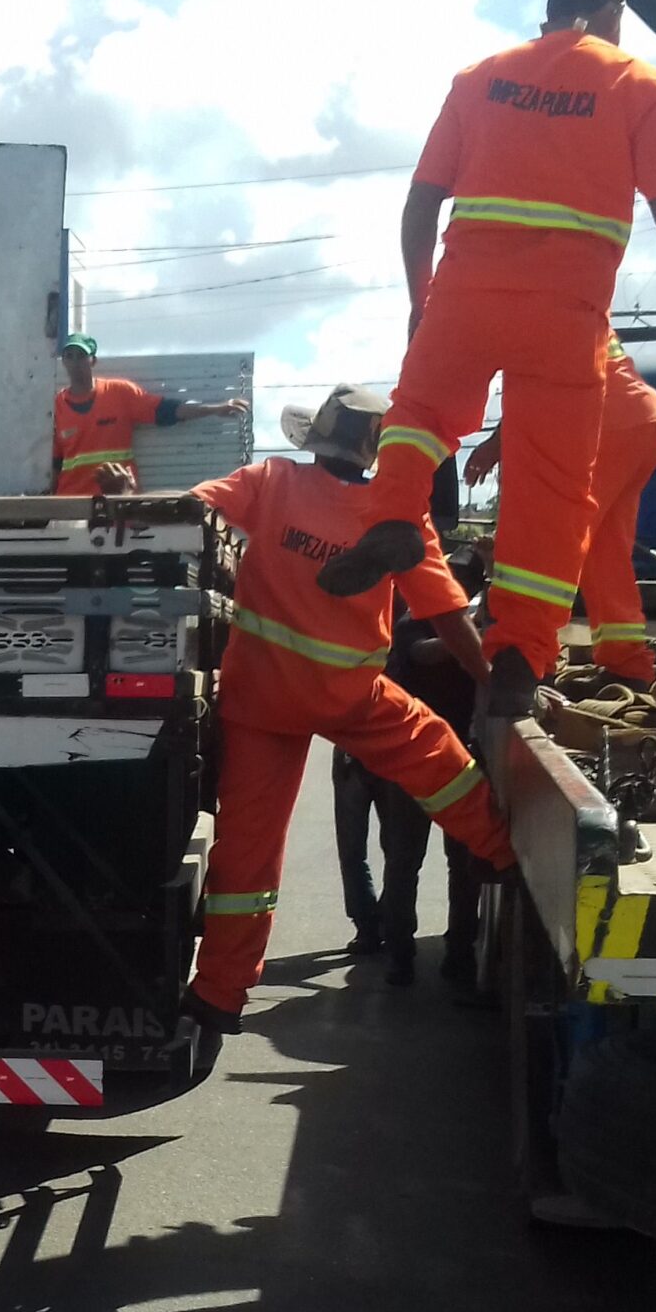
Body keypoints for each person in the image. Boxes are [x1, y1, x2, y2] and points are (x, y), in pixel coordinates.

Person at [318, 0, 656, 716]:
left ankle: (391, 519)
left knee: (420, 416)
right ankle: (519, 654)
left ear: (547, 14)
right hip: (566, 315)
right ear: (616, 19)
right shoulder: (642, 85)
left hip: (465, 294)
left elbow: (420, 204)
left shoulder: (478, 78)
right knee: (553, 488)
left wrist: (422, 302)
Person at [184, 386, 514, 1033]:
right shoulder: (396, 513)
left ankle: (219, 994)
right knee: (438, 758)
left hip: (262, 697)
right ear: (375, 446)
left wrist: (124, 501)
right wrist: (490, 680)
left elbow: (195, 510)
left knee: (246, 855)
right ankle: (500, 853)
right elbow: (445, 612)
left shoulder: (272, 480)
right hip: (352, 693)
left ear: (318, 439)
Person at [466, 334, 656, 684]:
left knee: (550, 544)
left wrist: (495, 442)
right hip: (640, 416)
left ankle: (531, 663)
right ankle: (627, 663)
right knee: (606, 551)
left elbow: (531, 381)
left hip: (599, 422)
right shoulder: (568, 307)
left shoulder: (519, 310)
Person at [336, 542, 488, 987]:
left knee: (461, 866)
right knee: (405, 860)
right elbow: (423, 652)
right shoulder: (418, 620)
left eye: (464, 580)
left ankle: (458, 953)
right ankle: (400, 954)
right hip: (415, 762)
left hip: (460, 761)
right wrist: (469, 638)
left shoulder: (472, 624)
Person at [55, 333, 249, 495]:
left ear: (93, 360)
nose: (75, 362)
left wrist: (215, 409)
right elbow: (53, 462)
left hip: (118, 499)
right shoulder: (56, 406)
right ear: (63, 361)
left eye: (81, 356)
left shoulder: (119, 392)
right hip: (72, 501)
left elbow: (168, 411)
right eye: (69, 356)